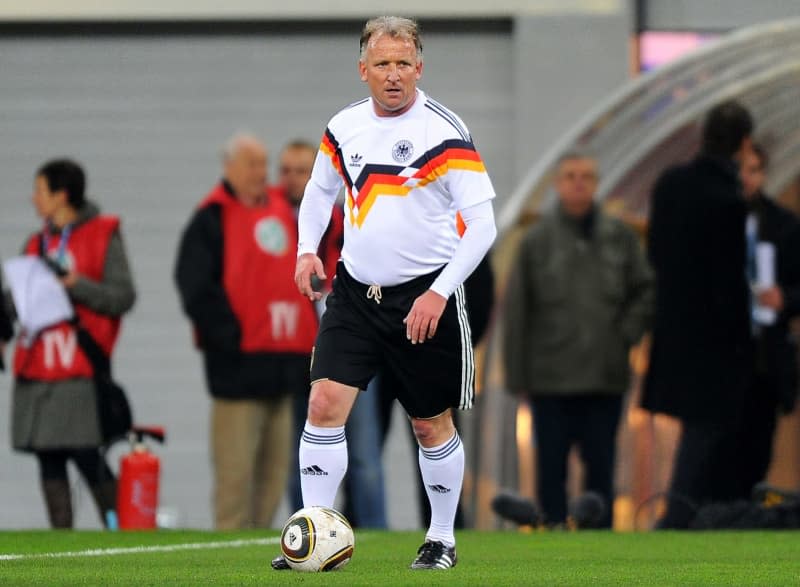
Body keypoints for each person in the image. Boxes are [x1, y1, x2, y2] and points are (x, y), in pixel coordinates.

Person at [274, 16, 497, 570]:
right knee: (323, 403)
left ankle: (441, 538)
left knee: (430, 423)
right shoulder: (344, 126)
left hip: (425, 296)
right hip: (354, 292)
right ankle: (315, 532)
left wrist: (440, 293)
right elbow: (319, 190)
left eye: (403, 64)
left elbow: (483, 225)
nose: (393, 75)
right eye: (382, 65)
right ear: (363, 71)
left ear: (419, 68)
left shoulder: (445, 131)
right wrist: (307, 250)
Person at [498, 153, 653, 529]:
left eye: (586, 176)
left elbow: (645, 290)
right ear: (558, 184)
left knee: (601, 467)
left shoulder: (620, 237)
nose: (579, 183)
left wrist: (626, 335)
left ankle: (599, 542)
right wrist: (517, 377)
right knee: (551, 467)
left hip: (605, 372)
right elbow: (517, 312)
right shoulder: (536, 241)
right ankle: (552, 535)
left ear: (597, 183)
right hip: (550, 376)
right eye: (571, 176)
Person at [174, 133, 318, 529]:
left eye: (263, 164)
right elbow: (195, 287)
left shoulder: (283, 211)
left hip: (286, 369)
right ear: (230, 168)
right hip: (237, 372)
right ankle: (228, 558)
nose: (261, 173)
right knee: (236, 478)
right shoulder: (212, 219)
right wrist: (231, 338)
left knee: (272, 480)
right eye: (252, 164)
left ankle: (256, 555)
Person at [642, 101, 755, 529]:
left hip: (673, 326)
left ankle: (682, 515)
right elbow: (728, 280)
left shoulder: (671, 184)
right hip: (714, 336)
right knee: (706, 430)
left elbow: (655, 252)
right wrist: (743, 339)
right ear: (743, 145)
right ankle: (678, 518)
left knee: (694, 427)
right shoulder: (728, 199)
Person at [9, 158, 136, 528]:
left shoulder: (102, 234)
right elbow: (17, 301)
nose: (34, 199)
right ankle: (61, 536)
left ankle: (120, 529)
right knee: (47, 455)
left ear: (61, 195)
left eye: (39, 190)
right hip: (39, 368)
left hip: (80, 366)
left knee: (85, 453)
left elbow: (122, 296)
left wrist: (76, 285)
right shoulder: (35, 243)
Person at [279, 139, 388, 529]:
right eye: (285, 170)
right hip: (295, 351)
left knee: (364, 451)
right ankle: (306, 528)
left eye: (301, 171)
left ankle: (375, 530)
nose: (292, 179)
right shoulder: (273, 224)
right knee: (303, 446)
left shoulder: (350, 219)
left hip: (351, 339)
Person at [736, 143, 800, 493]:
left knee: (757, 453)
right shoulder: (708, 221)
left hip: (766, 356)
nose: (746, 178)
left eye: (754, 169)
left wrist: (784, 299)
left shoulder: (784, 226)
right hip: (721, 359)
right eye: (739, 168)